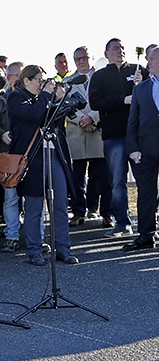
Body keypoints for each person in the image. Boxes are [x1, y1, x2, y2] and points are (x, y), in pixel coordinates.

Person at [7, 65, 78, 266]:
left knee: (60, 204)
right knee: (34, 207)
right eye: (38, 79)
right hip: (32, 159)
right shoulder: (15, 98)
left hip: (53, 154)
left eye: (43, 79)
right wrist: (47, 96)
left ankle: (63, 248)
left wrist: (59, 100)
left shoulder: (44, 99)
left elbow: (56, 120)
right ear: (26, 80)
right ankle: (34, 250)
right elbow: (33, 115)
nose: (42, 83)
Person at [89, 38, 146, 238]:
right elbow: (95, 102)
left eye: (122, 48)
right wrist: (122, 100)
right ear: (106, 54)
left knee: (145, 181)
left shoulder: (139, 70)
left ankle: (148, 225)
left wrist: (141, 86)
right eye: (115, 48)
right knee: (117, 183)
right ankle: (122, 223)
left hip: (139, 136)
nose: (120, 51)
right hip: (114, 136)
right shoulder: (100, 76)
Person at [65, 46, 112, 227]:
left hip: (98, 132)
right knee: (77, 179)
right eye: (78, 59)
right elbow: (66, 106)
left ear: (91, 58)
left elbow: (105, 102)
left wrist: (91, 118)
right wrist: (81, 120)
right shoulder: (68, 81)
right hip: (77, 134)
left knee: (103, 177)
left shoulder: (102, 78)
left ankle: (107, 213)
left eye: (84, 57)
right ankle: (78, 212)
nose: (82, 61)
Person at [123, 45, 159, 251]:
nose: (149, 63)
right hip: (145, 150)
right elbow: (132, 122)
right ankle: (146, 236)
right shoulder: (140, 88)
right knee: (146, 193)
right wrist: (133, 148)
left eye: (153, 59)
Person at [0, 61, 24, 252]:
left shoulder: (35, 99)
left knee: (33, 198)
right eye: (18, 75)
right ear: (9, 78)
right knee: (10, 198)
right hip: (9, 156)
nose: (21, 79)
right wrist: (1, 134)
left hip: (29, 154)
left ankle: (35, 236)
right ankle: (11, 236)